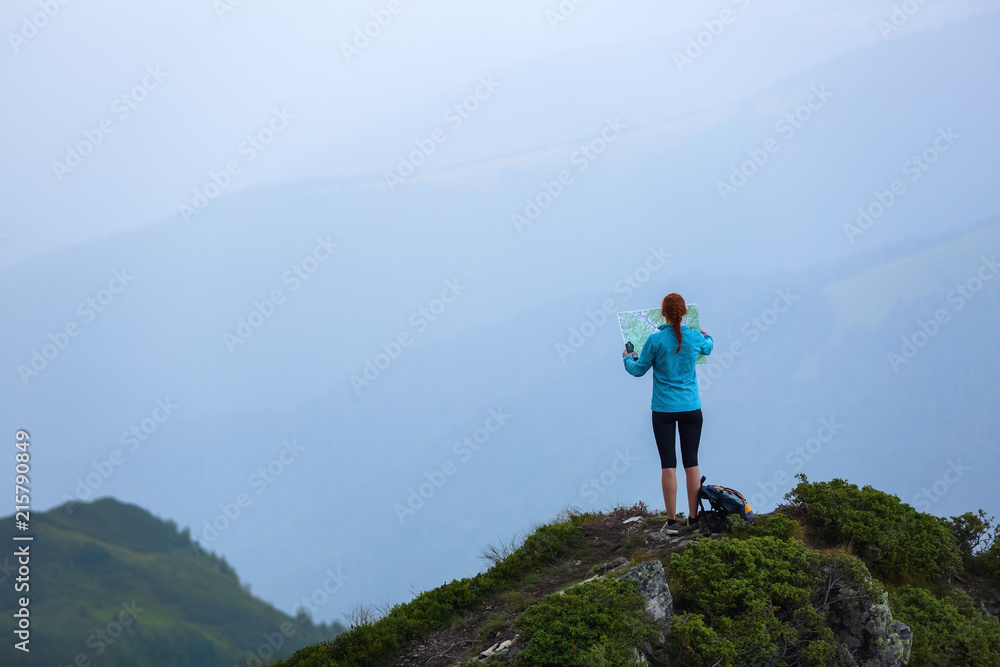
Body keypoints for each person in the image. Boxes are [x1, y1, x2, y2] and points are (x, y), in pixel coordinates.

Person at [622, 293, 713, 535]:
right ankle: (693, 521)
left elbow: (638, 370)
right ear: (684, 313)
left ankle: (672, 523)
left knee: (668, 465)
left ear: (662, 313)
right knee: (691, 464)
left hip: (663, 410)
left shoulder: (655, 340)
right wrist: (706, 334)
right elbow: (709, 347)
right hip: (691, 408)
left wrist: (627, 358)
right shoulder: (693, 337)